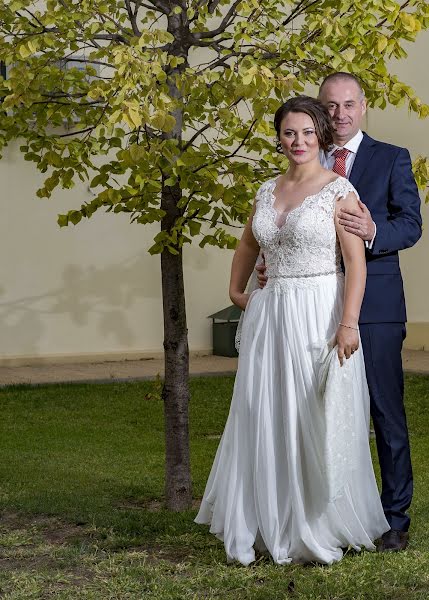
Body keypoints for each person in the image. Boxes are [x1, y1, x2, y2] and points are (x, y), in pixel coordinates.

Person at [195, 95, 389, 566]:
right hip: (271, 315)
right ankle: (266, 518)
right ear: (278, 138)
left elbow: (355, 265)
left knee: (310, 414)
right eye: (288, 132)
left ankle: (314, 522)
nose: (297, 141)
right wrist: (238, 292)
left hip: (318, 313)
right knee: (264, 410)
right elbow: (247, 242)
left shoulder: (339, 191)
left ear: (321, 135)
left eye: (306, 132)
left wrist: (348, 323)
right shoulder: (266, 190)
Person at [257, 73, 422, 553]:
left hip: (374, 308)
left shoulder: (391, 158)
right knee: (312, 410)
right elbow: (280, 227)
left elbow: (411, 224)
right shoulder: (303, 158)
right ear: (318, 111)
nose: (341, 113)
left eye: (350, 104)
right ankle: (321, 514)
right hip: (307, 311)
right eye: (331, 105)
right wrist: (273, 262)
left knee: (383, 411)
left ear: (364, 106)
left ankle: (393, 517)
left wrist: (373, 230)